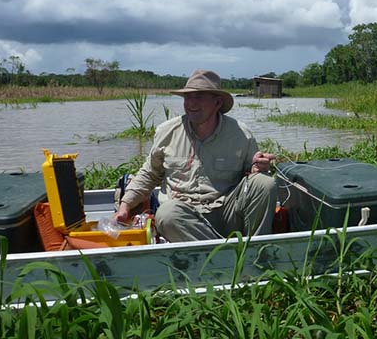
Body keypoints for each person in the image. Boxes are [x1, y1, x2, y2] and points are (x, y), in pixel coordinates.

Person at [113, 69, 278, 241]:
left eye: (199, 97)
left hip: (226, 213)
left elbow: (252, 177)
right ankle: (227, 254)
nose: (191, 103)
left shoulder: (241, 134)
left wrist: (258, 169)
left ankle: (256, 249)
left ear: (217, 102)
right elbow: (149, 174)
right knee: (167, 214)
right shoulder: (167, 131)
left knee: (264, 183)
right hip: (183, 217)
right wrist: (125, 206)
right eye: (187, 97)